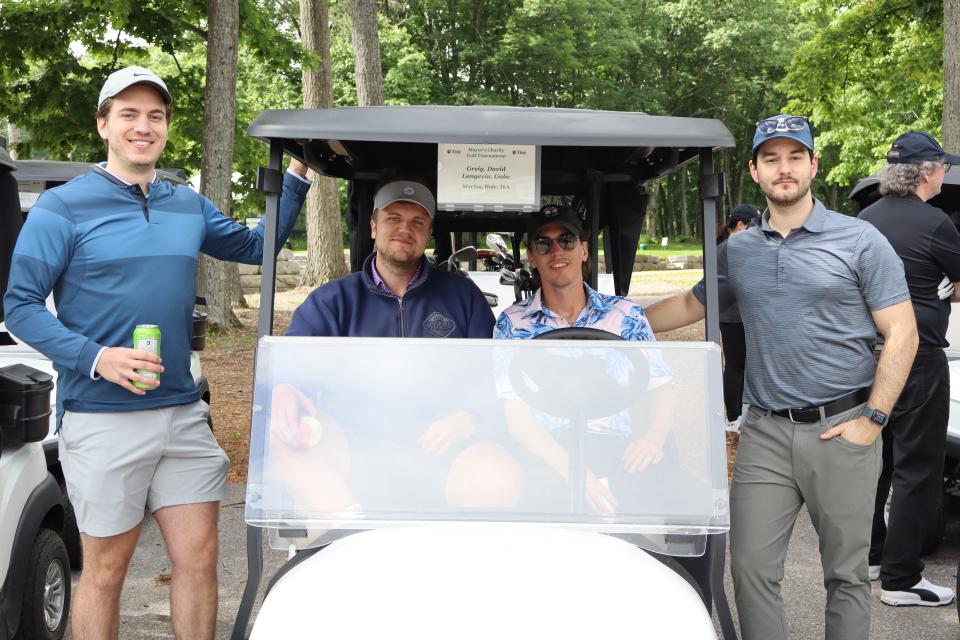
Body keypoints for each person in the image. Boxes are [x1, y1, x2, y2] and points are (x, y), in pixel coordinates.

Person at [3, 66, 310, 640]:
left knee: (198, 561)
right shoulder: (63, 208)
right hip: (101, 417)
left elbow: (259, 246)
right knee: (106, 572)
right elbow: (19, 306)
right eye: (129, 114)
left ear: (166, 127)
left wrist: (297, 171)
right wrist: (98, 357)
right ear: (104, 125)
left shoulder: (185, 204)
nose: (143, 127)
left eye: (155, 116)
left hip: (183, 416)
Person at [645, 114, 918, 640]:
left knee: (845, 575)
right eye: (771, 158)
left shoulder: (860, 241)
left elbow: (902, 333)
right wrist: (608, 320)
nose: (784, 168)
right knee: (749, 571)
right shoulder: (739, 250)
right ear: (755, 170)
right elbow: (689, 304)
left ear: (814, 164)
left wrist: (873, 419)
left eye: (795, 156)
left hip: (842, 427)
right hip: (765, 432)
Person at [270, 179, 518, 511]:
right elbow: (291, 362)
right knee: (285, 438)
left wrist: (470, 417)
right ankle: (349, 535)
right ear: (373, 226)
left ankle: (463, 554)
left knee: (494, 468)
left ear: (428, 233)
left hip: (445, 447)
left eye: (417, 222)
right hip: (355, 447)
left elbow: (494, 377)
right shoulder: (334, 301)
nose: (405, 229)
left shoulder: (462, 297)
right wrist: (284, 386)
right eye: (393, 218)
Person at [857, 130, 960, 607]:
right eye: (942, 166)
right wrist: (947, 287)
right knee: (918, 467)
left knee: (878, 461)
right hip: (917, 355)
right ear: (926, 172)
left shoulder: (865, 219)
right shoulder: (936, 223)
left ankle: (875, 557)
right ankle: (901, 579)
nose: (945, 173)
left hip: (868, 355)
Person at [717, 203, 760, 431]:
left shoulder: (726, 245)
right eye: (753, 224)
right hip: (735, 315)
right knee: (735, 365)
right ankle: (734, 417)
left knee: (738, 365)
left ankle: (738, 413)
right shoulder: (733, 246)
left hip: (733, 314)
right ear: (741, 224)